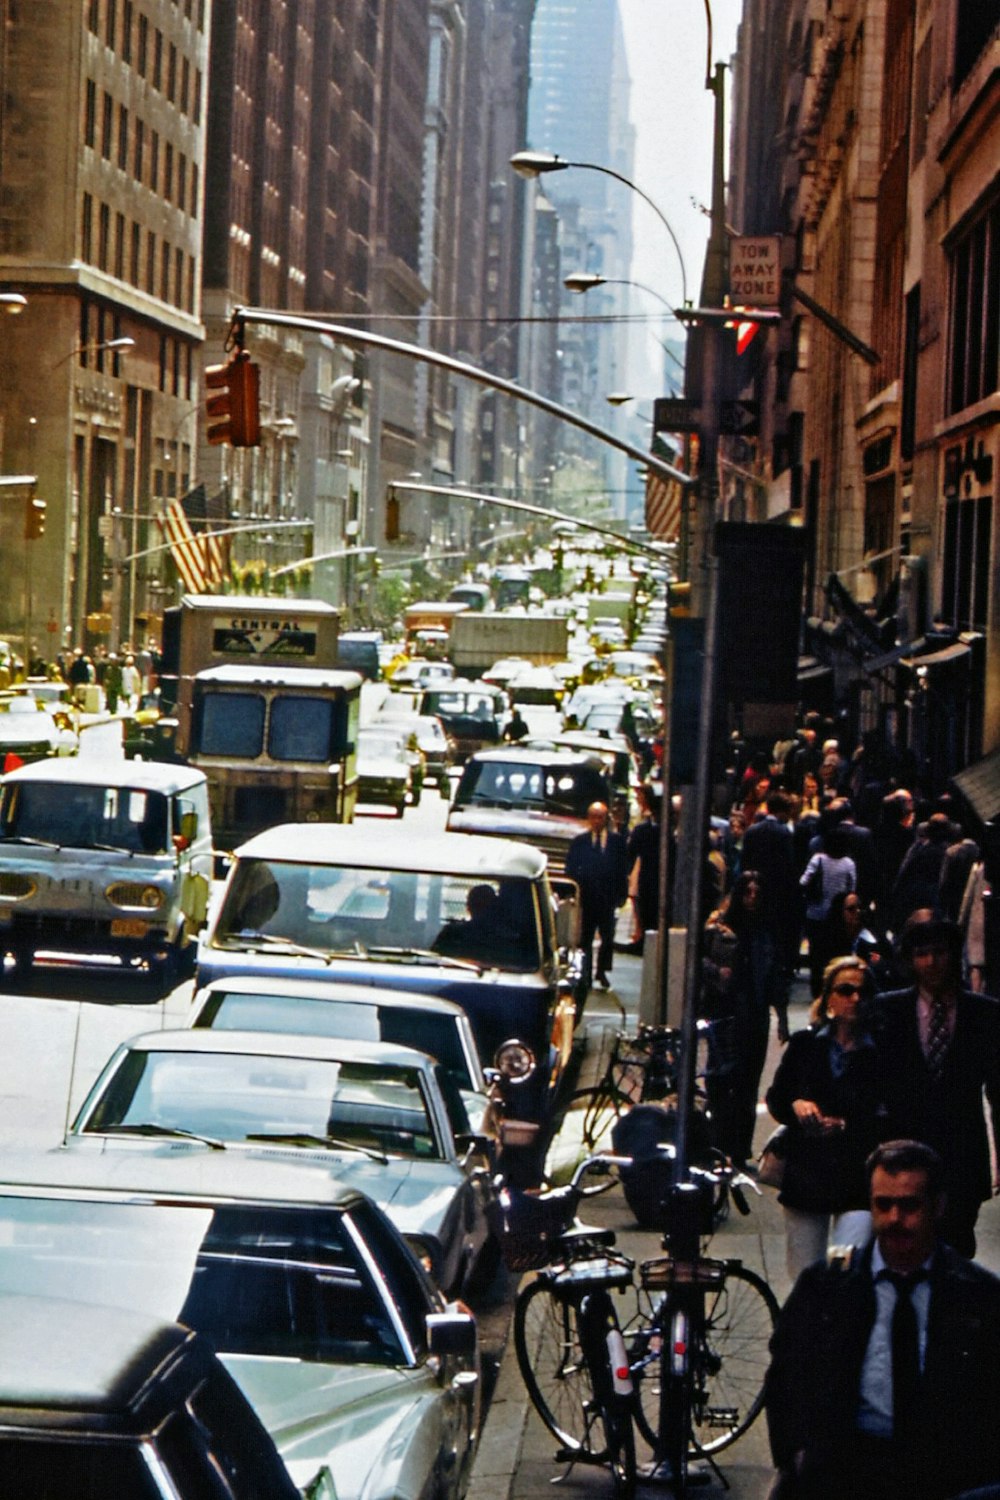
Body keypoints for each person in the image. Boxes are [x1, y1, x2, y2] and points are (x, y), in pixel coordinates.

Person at [764, 1140, 1000, 1500]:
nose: (894, 1219)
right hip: (847, 1473)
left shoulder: (977, 1296)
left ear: (937, 1207)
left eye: (909, 1206)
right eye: (883, 1205)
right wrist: (795, 1458)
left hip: (941, 1475)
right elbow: (785, 1378)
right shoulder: (825, 1287)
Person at [877, 910, 1000, 1257]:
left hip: (962, 1156)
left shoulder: (984, 1015)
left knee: (956, 1253)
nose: (931, 963)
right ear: (911, 960)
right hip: (903, 1152)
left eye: (939, 953)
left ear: (953, 956)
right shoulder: (889, 1011)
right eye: (921, 954)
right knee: (906, 1252)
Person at [764, 956, 886, 1280]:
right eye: (845, 990)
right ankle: (810, 1331)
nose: (854, 999)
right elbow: (777, 1098)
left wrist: (848, 1125)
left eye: (863, 992)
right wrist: (797, 1106)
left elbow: (888, 1113)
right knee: (806, 1275)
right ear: (829, 996)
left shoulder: (880, 1051)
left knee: (847, 1268)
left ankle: (843, 1328)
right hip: (808, 1172)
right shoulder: (806, 1044)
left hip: (856, 1174)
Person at [700, 870, 783, 1165]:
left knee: (748, 1084)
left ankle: (739, 1150)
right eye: (746, 892)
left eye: (756, 893)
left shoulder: (765, 931)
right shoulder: (720, 928)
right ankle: (718, 1145)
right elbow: (699, 962)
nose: (751, 898)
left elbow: (773, 975)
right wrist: (717, 972)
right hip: (726, 1011)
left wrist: (781, 1016)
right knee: (721, 1081)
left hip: (755, 1013)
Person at [565, 801, 629, 990]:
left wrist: (621, 894)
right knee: (585, 938)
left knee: (608, 937)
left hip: (607, 897)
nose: (597, 821)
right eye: (593, 817)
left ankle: (602, 970)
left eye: (600, 817)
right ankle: (585, 973)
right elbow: (571, 867)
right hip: (586, 897)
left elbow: (622, 869)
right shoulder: (580, 842)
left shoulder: (617, 842)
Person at [799, 824, 856, 996]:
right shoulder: (848, 863)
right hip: (838, 915)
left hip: (816, 913)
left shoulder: (818, 859)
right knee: (837, 954)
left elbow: (804, 881)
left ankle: (817, 991)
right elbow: (852, 886)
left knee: (816, 955)